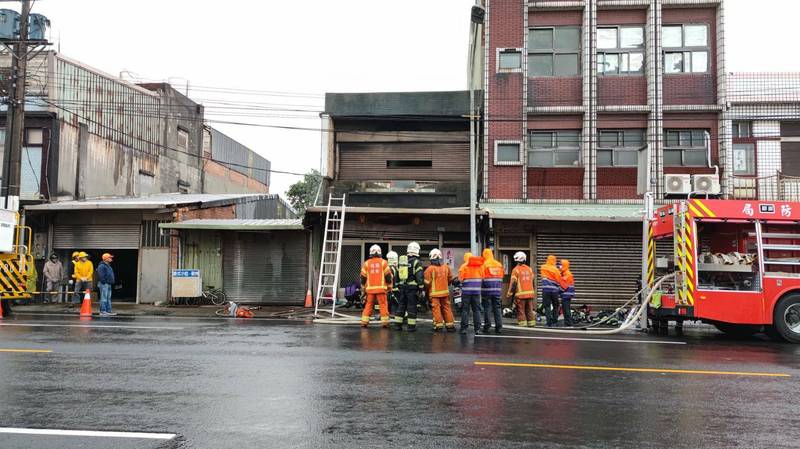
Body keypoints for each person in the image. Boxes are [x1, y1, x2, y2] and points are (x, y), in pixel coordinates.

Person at [393, 242, 425, 332]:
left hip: (402, 287)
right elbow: (419, 277)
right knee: (411, 307)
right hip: (412, 289)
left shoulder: (402, 261)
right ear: (417, 250)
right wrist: (422, 288)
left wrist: (398, 286)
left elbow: (397, 276)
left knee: (401, 306)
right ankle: (411, 327)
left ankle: (397, 326)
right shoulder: (416, 262)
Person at [360, 245, 392, 328]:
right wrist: (389, 286)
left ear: (371, 253)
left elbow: (363, 277)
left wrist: (363, 287)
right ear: (380, 252)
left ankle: (364, 322)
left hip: (370, 290)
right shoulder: (384, 262)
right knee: (383, 305)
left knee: (369, 305)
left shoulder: (366, 263)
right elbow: (388, 276)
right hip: (381, 289)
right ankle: (385, 323)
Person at [424, 248, 456, 332]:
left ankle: (439, 326)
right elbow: (450, 279)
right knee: (447, 308)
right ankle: (450, 326)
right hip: (445, 293)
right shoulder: (446, 267)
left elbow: (427, 283)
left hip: (434, 294)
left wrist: (425, 291)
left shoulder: (429, 269)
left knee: (436, 310)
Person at [458, 252, 484, 334]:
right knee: (476, 310)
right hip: (476, 292)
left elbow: (460, 280)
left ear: (465, 258)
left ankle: (464, 329)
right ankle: (477, 329)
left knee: (465, 310)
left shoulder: (464, 266)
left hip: (466, 292)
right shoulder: (479, 266)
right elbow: (483, 277)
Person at [508, 252, 536, 327]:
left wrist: (510, 293)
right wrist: (533, 291)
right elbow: (533, 281)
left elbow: (513, 283)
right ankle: (531, 323)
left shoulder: (515, 270)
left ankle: (523, 324)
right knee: (530, 310)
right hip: (530, 294)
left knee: (521, 310)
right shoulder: (529, 269)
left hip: (521, 295)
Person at [481, 248, 504, 334]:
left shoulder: (484, 264)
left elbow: (482, 277)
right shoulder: (499, 264)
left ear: (484, 255)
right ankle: (499, 327)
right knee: (497, 308)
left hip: (487, 290)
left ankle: (487, 326)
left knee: (487, 308)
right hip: (497, 290)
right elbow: (502, 276)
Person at [540, 254, 562, 327]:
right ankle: (555, 322)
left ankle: (548, 323)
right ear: (554, 260)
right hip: (554, 291)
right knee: (556, 306)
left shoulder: (543, 267)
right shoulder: (556, 269)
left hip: (546, 290)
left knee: (547, 306)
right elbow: (559, 280)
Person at [559, 259, 575, 327]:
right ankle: (567, 322)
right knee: (565, 308)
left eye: (561, 264)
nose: (559, 266)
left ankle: (569, 322)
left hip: (566, 294)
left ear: (564, 265)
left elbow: (564, 285)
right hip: (566, 294)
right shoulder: (565, 273)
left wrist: (558, 291)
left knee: (566, 308)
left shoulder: (567, 273)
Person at [386, 251, 400, 319]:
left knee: (392, 302)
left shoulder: (390, 268)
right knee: (393, 302)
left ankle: (392, 313)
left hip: (392, 289)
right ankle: (393, 313)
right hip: (394, 289)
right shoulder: (394, 268)